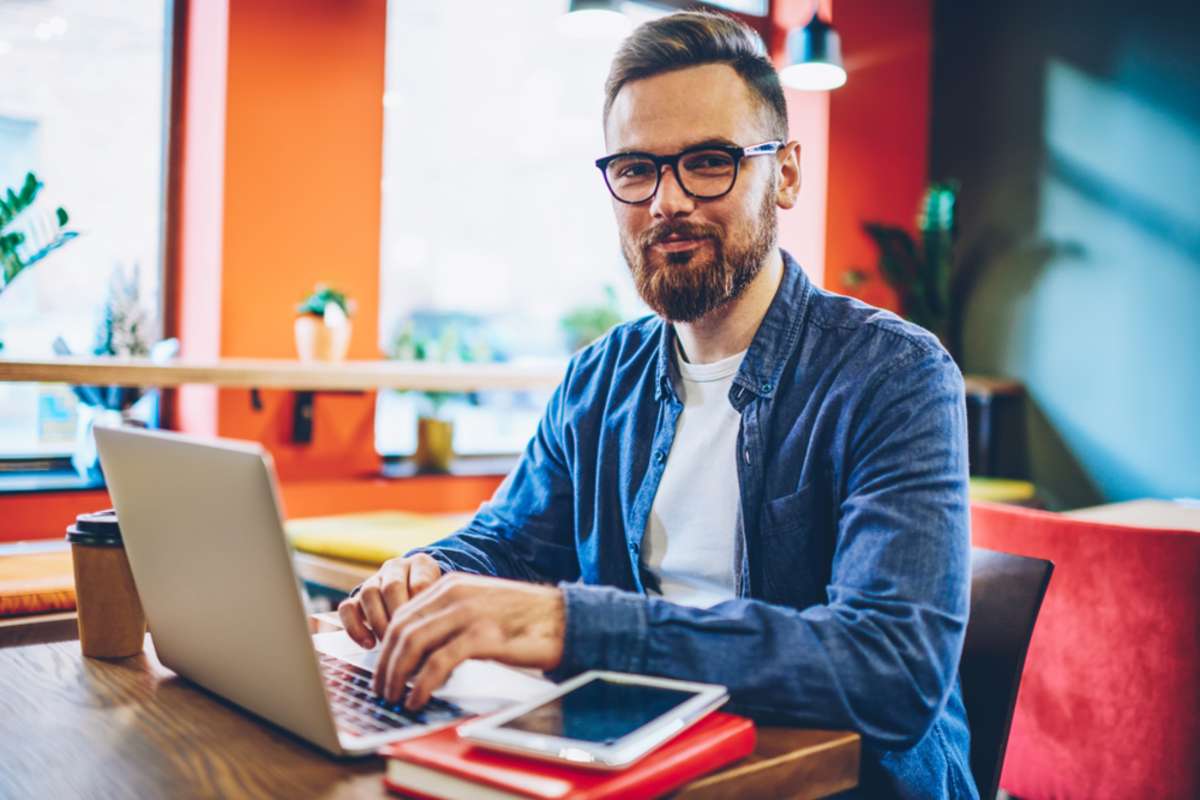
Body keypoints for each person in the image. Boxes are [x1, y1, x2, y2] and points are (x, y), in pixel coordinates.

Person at [339, 11, 975, 799]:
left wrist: (566, 625)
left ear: (785, 174)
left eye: (708, 162)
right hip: (636, 765)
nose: (666, 201)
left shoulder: (895, 376)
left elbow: (891, 671)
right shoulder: (596, 379)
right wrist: (431, 575)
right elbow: (507, 542)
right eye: (637, 169)